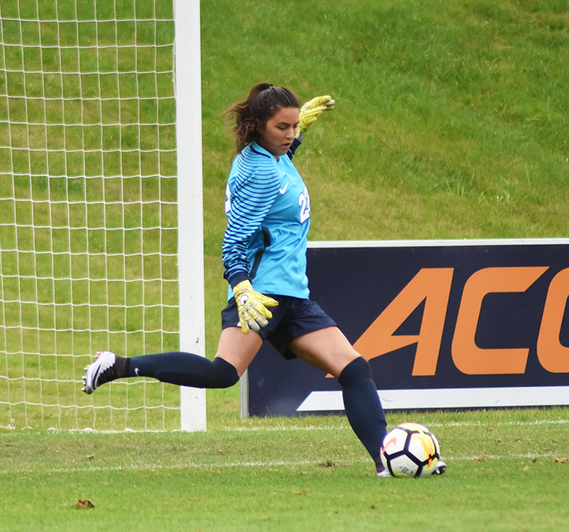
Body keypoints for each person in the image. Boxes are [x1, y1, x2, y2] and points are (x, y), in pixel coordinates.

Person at [81, 83, 445, 477]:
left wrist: (297, 131)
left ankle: (385, 460)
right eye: (282, 127)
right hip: (263, 293)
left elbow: (283, 177)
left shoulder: (274, 157)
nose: (291, 135)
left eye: (294, 126)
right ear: (258, 127)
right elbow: (234, 242)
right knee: (223, 372)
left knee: (354, 369)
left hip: (293, 293)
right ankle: (117, 365)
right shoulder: (259, 174)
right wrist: (241, 289)